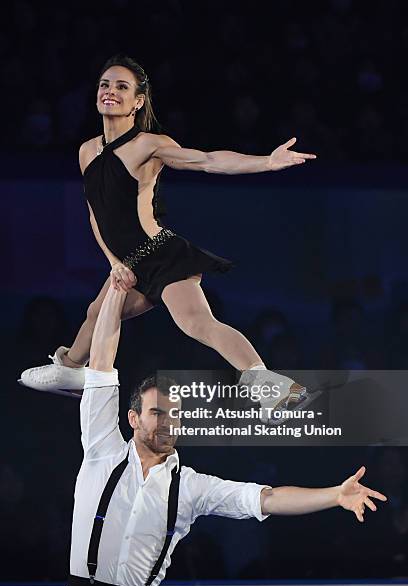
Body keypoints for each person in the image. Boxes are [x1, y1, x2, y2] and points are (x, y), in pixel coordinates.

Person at [20, 53, 318, 417]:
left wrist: (266, 162)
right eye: (105, 84)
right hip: (128, 262)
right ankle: (69, 370)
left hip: (161, 253)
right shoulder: (87, 151)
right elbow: (97, 215)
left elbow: (208, 161)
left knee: (196, 323)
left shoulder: (148, 145)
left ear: (138, 101)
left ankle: (270, 385)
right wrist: (115, 264)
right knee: (96, 313)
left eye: (121, 86)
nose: (110, 91)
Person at [59, 284, 387, 586]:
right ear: (133, 418)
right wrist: (117, 289)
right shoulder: (103, 449)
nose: (168, 422)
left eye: (175, 415)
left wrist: (334, 494)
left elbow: (266, 498)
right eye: (157, 413)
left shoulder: (188, 487)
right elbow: (101, 363)